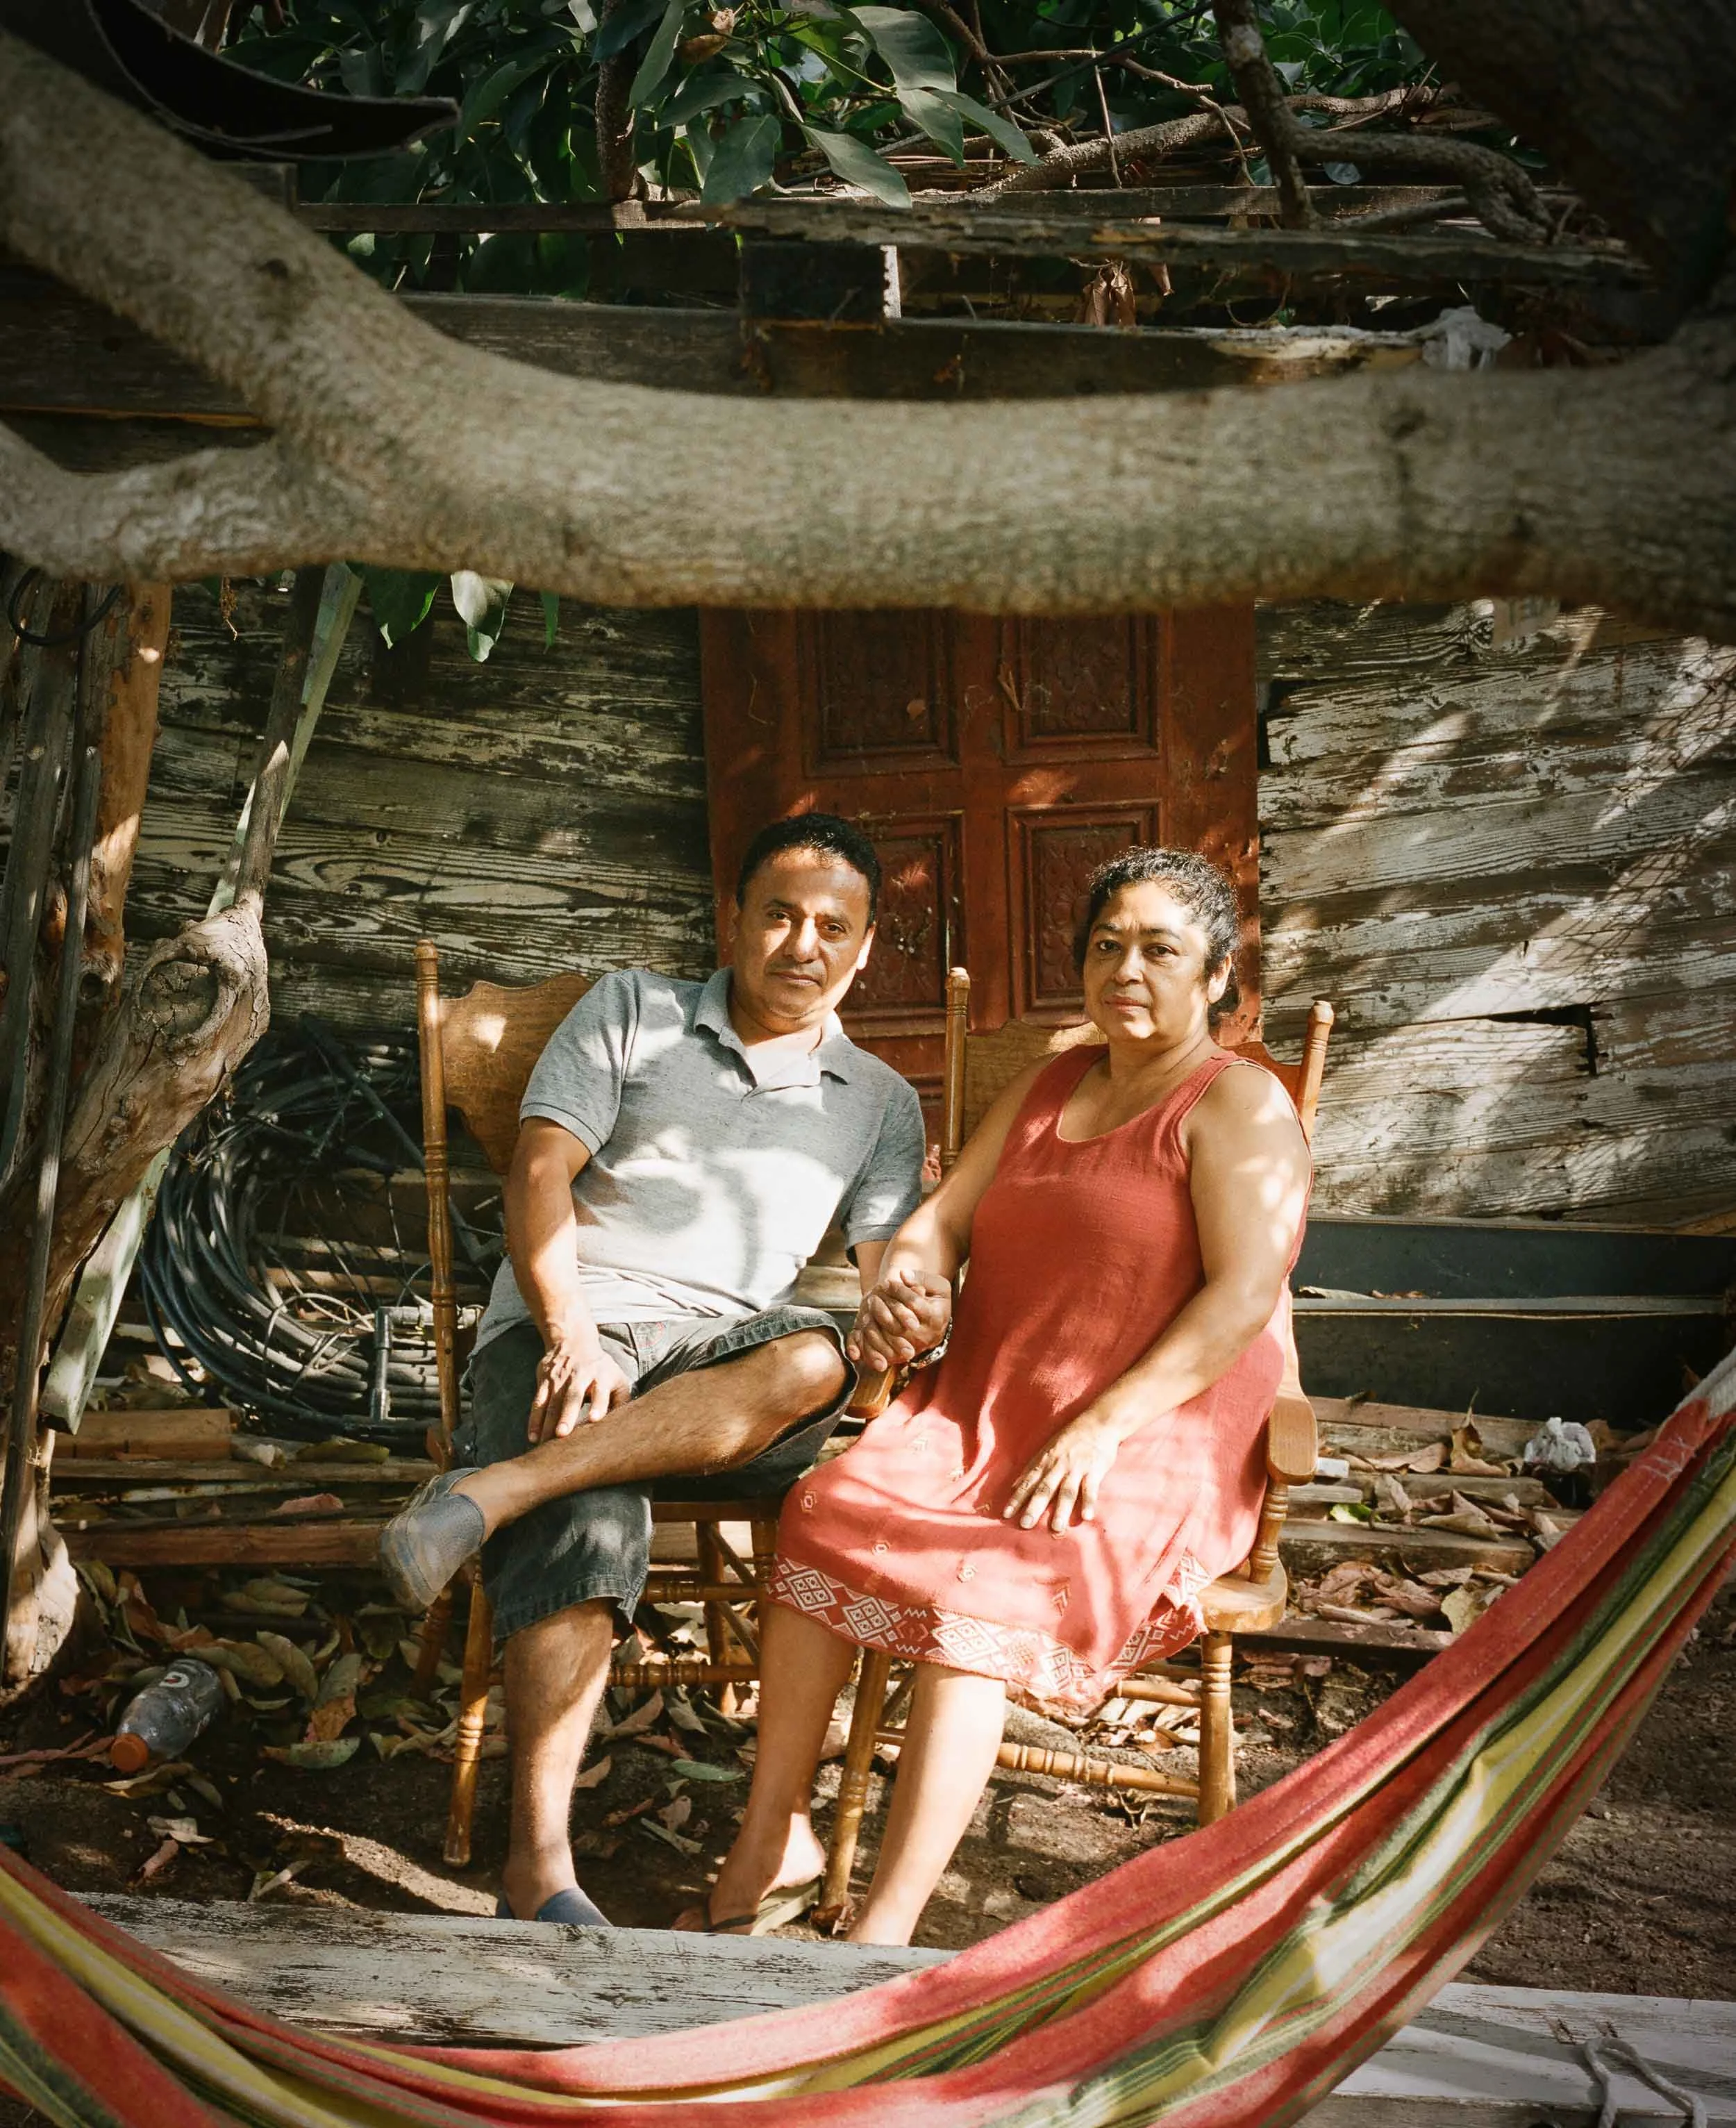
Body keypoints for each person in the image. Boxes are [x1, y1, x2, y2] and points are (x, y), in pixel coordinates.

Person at [687, 846, 1311, 1945]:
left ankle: (881, 1934)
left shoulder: (1238, 1104)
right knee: (822, 1513)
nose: (1128, 967)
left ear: (1218, 977)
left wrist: (1106, 1425)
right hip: (994, 1393)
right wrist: (914, 1283)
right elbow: (943, 1218)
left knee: (978, 1595)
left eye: (1162, 949)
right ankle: (772, 1839)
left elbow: (1245, 1297)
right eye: (1108, 944)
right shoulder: (1053, 1083)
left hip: (1155, 1422)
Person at [378, 813, 925, 1928]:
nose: (802, 943)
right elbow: (542, 1168)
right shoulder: (634, 1008)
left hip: (727, 1367)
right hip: (572, 1322)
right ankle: (540, 1869)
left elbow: (884, 1277)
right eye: (778, 914)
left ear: (864, 950)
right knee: (596, 1523)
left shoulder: (882, 1102)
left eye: (834, 926)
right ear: (733, 919)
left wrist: (902, 1316)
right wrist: (570, 1326)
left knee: (813, 1353)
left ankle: (495, 1494)